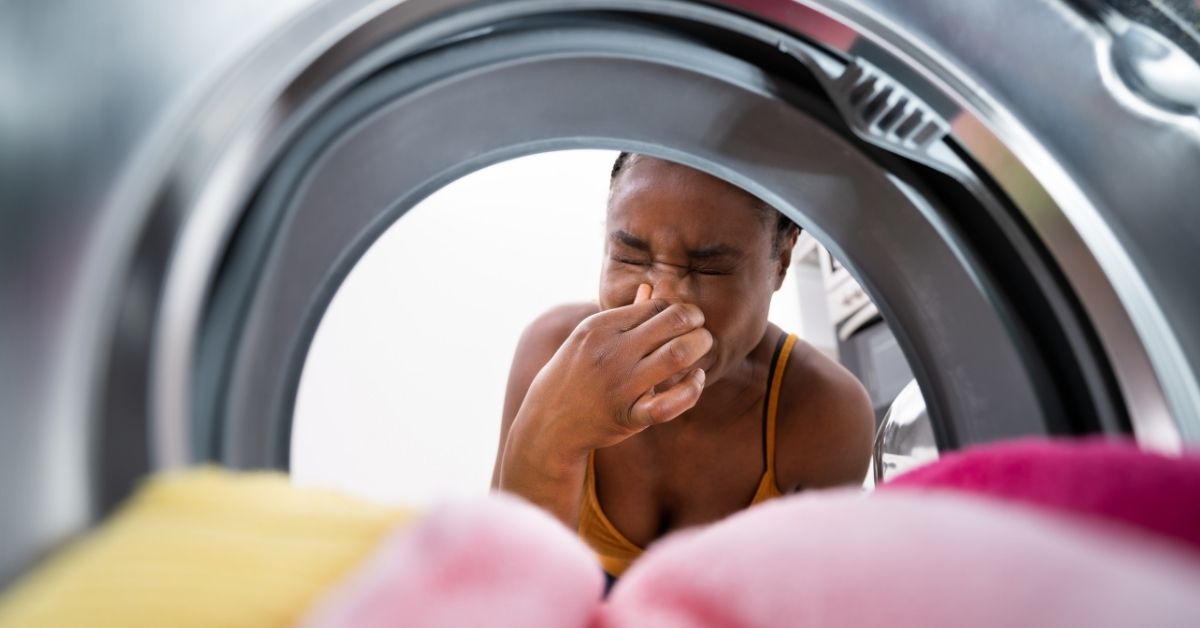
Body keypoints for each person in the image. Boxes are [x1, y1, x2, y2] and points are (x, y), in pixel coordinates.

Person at [491, 152, 875, 580]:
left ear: (782, 260)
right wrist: (554, 438)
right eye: (631, 257)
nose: (664, 301)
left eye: (708, 267)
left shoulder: (825, 414)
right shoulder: (552, 352)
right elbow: (502, 593)